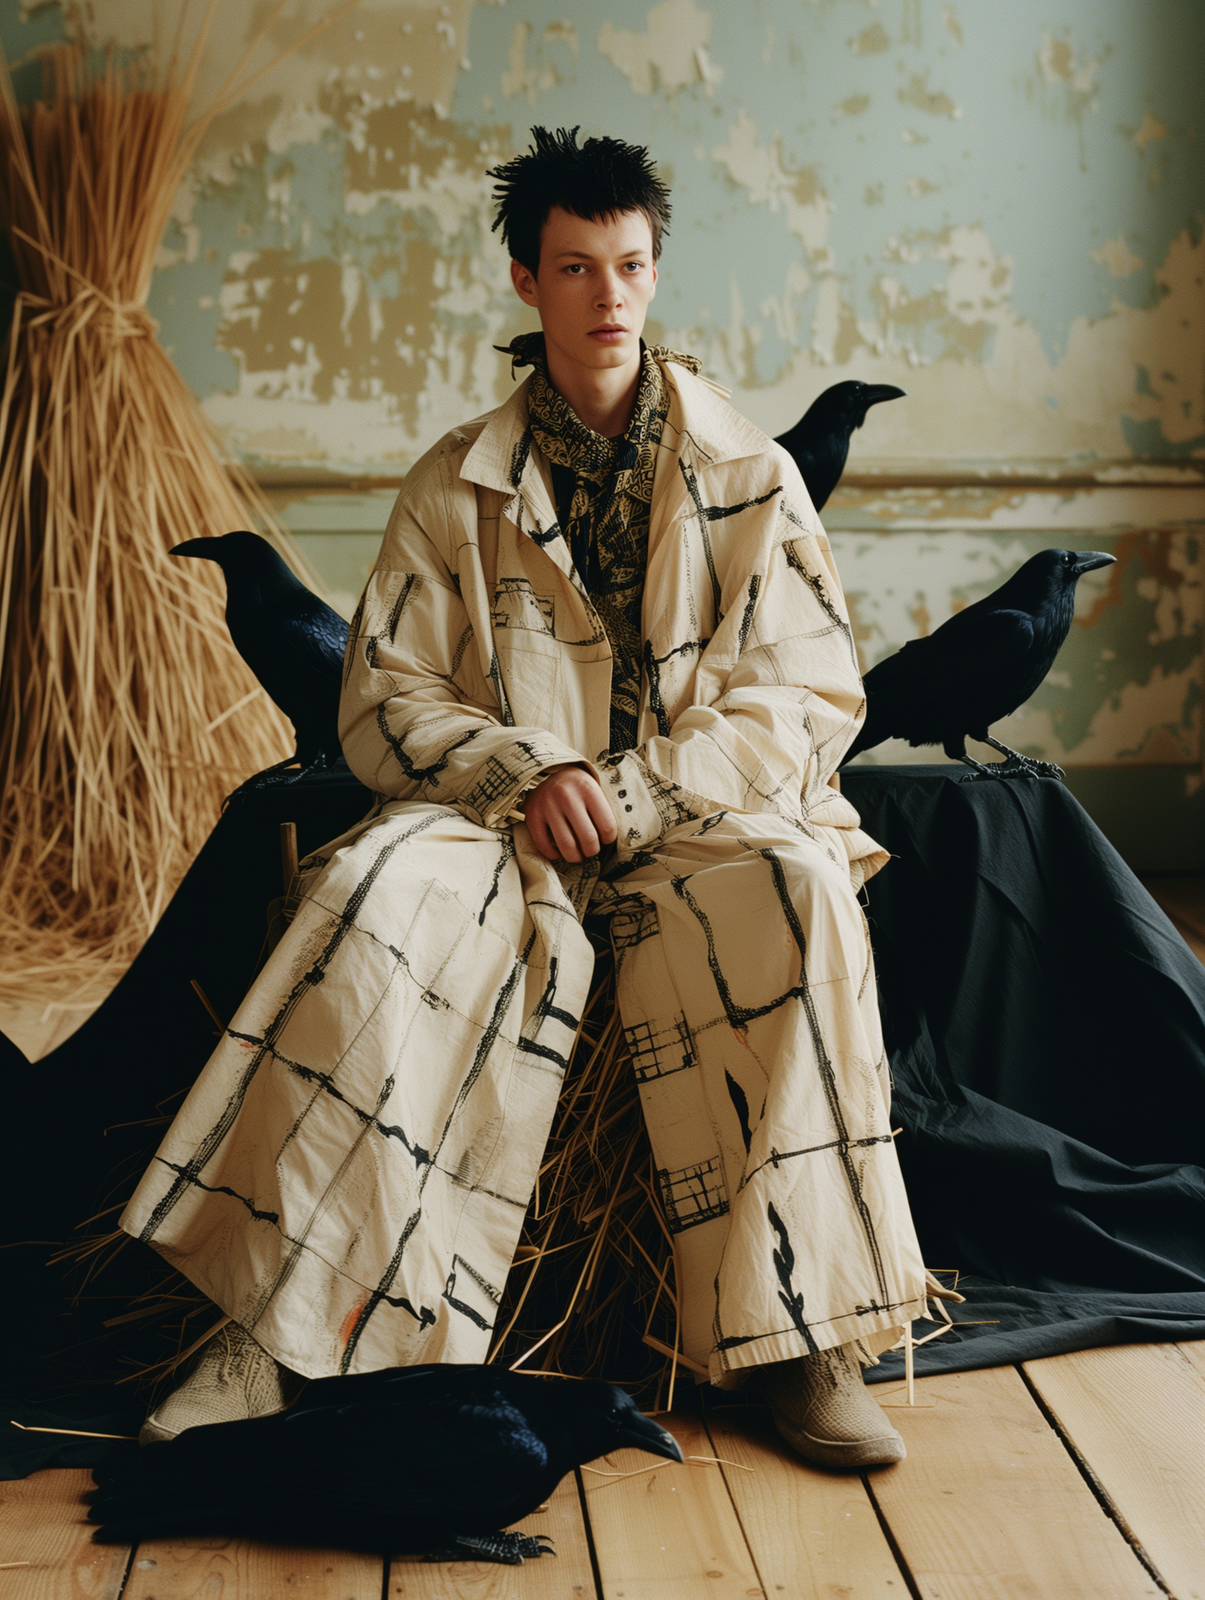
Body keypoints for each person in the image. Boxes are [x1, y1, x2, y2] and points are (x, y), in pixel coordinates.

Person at [120, 127, 928, 1471]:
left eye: (629, 264)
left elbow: (803, 698)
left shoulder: (752, 479)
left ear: (656, 270)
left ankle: (802, 1337)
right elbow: (385, 700)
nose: (607, 294)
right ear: (523, 279)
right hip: (504, 827)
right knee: (374, 897)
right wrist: (526, 771)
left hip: (697, 822)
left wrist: (632, 787)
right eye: (574, 266)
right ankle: (273, 1327)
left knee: (798, 895)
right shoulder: (456, 483)